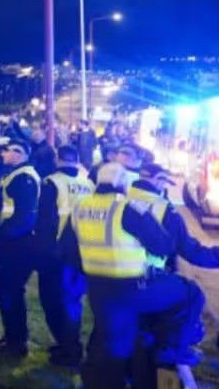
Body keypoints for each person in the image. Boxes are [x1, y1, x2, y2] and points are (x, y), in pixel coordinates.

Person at [60, 163, 202, 388]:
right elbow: (163, 245)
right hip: (131, 287)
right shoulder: (127, 208)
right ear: (122, 184)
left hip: (97, 288)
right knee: (191, 292)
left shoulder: (80, 207)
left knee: (115, 344)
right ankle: (172, 350)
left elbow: (68, 250)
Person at [35, 145, 93, 366]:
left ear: (58, 160)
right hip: (83, 252)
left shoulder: (52, 183)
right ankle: (70, 345)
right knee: (72, 301)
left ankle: (68, 349)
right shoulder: (88, 185)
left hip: (56, 253)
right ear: (76, 160)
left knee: (52, 301)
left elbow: (45, 222)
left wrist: (40, 254)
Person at [0, 138, 42, 360]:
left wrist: (2, 235)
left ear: (20, 154)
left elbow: (25, 216)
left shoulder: (24, 178)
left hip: (17, 245)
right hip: (13, 242)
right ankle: (12, 336)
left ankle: (16, 342)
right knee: (7, 292)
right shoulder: (16, 174)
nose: (4, 154)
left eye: (9, 151)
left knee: (10, 292)